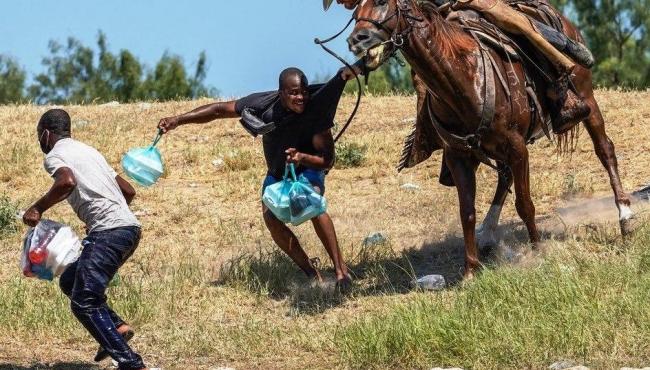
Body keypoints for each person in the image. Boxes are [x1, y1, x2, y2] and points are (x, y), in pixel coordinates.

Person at [158, 65, 361, 289]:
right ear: (281, 92)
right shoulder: (262, 105)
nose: (300, 97)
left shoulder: (316, 111)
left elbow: (327, 161)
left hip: (309, 168)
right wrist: (178, 120)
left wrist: (301, 157)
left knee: (311, 203)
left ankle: (341, 271)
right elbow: (218, 110)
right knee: (271, 219)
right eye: (293, 92)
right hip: (277, 173)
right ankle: (312, 273)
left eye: (303, 91)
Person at [326, 0, 593, 134]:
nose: (340, 3)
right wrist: (362, 65)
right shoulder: (376, 6)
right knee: (423, 79)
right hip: (444, 20)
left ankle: (560, 89)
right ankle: (435, 136)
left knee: (515, 26)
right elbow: (396, 37)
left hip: (469, 3)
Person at [22, 109, 150, 370]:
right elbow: (128, 190)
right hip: (129, 230)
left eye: (39, 137)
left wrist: (37, 208)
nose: (40, 143)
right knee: (71, 280)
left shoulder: (56, 154)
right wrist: (102, 214)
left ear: (46, 134)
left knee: (84, 302)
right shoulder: (90, 151)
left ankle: (131, 363)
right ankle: (116, 326)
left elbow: (66, 182)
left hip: (110, 232)